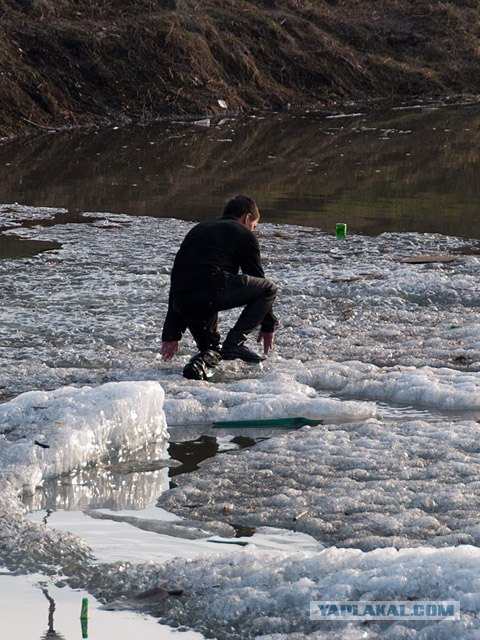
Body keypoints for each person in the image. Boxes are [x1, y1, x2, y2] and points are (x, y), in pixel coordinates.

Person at [160, 195, 278, 380]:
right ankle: (235, 343)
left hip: (184, 302)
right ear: (247, 218)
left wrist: (171, 333)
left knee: (212, 351)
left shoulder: (198, 229)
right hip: (211, 290)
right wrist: (268, 325)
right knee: (269, 288)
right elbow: (258, 280)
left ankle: (194, 372)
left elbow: (178, 278)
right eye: (254, 226)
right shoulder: (243, 232)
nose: (253, 230)